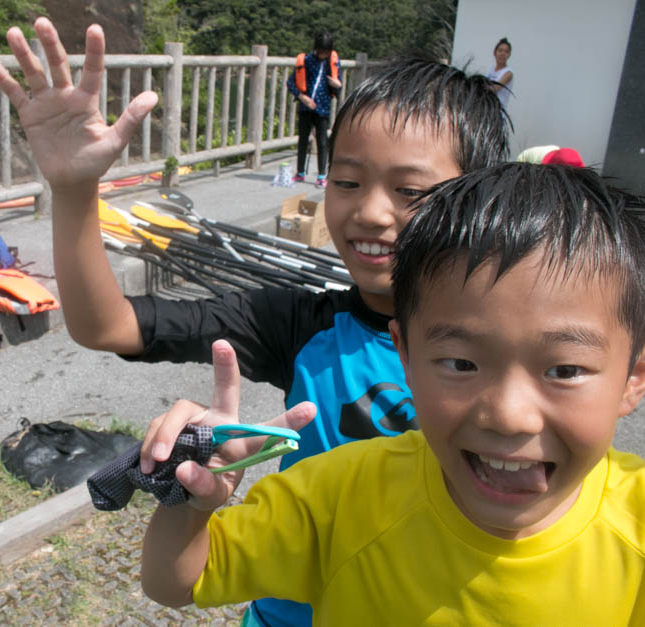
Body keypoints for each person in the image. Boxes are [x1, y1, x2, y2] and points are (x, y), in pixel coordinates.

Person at [0, 17, 509, 626]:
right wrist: (75, 191)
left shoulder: (515, 352)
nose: (370, 211)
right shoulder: (301, 323)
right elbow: (108, 326)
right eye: (347, 180)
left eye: (411, 192)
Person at [140, 163, 645, 624]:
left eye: (565, 369)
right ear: (406, 356)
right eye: (461, 363)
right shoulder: (341, 496)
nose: (509, 417)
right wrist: (189, 498)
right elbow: (177, 580)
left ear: (633, 377)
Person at [286, 31, 341, 188]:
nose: (323, 54)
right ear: (316, 48)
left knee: (322, 141)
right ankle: (300, 172)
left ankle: (322, 175)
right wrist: (302, 97)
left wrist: (337, 85)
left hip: (322, 107)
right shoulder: (308, 60)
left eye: (326, 51)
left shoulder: (333, 62)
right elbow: (291, 83)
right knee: (303, 140)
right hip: (305, 107)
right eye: (321, 51)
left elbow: (339, 83)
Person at [487, 37, 514, 108]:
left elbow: (494, 89)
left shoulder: (508, 73)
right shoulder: (491, 69)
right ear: (494, 53)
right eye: (500, 50)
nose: (503, 54)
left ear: (509, 55)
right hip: (487, 110)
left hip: (498, 113)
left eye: (506, 52)